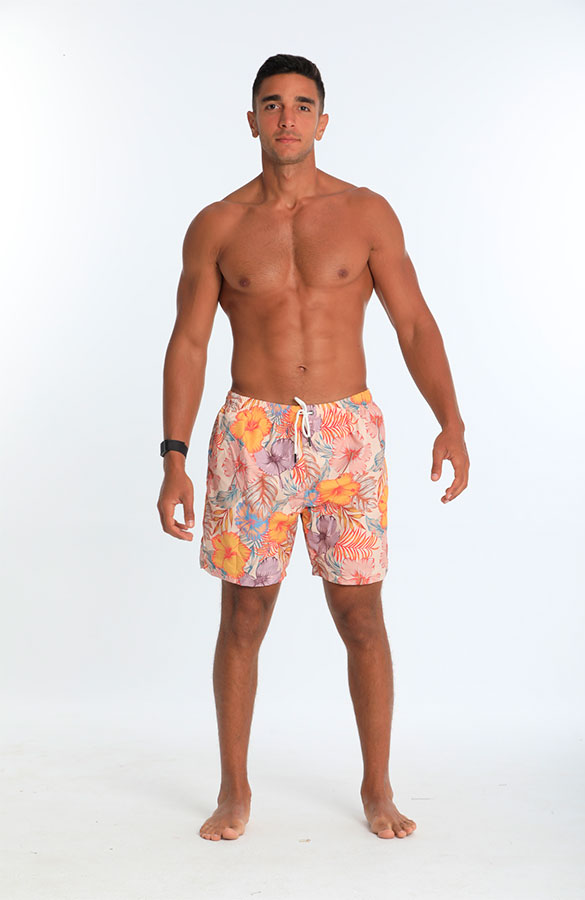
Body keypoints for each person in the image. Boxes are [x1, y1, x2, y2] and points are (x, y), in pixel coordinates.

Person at [157, 53, 469, 842]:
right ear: (252, 120)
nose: (287, 118)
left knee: (361, 614)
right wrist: (173, 457)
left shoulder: (366, 213)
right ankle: (234, 791)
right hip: (251, 434)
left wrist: (452, 421)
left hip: (346, 436)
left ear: (323, 122)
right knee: (243, 615)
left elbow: (413, 324)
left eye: (302, 105)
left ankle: (377, 786)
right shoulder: (219, 225)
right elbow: (189, 341)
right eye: (272, 104)